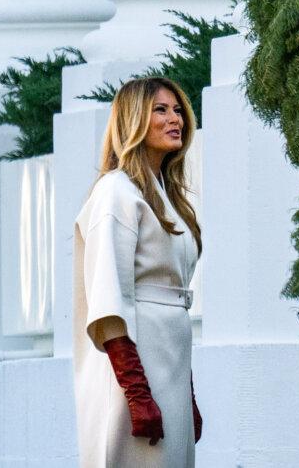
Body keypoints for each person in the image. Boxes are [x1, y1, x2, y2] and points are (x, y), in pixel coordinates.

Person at [73, 77, 203, 468]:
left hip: (168, 361)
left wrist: (188, 395)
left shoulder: (166, 195)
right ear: (133, 120)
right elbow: (108, 297)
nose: (175, 119)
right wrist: (136, 393)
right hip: (133, 364)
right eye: (160, 110)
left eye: (177, 110)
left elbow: (171, 299)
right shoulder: (116, 192)